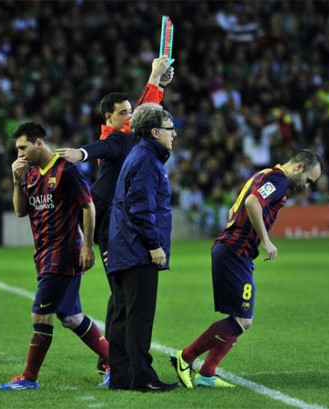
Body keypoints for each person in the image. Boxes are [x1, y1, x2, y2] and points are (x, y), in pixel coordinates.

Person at [55, 55, 173, 374]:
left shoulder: (129, 134)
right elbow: (97, 148)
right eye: (123, 112)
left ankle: (111, 359)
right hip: (106, 222)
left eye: (130, 112)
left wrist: (157, 83)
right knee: (121, 295)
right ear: (110, 117)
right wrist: (79, 153)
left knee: (120, 293)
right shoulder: (115, 138)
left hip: (117, 221)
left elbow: (145, 113)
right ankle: (115, 361)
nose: (129, 115)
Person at [170, 149, 323, 388]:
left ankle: (208, 374)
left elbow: (237, 205)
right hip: (234, 252)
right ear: (299, 167)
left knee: (238, 318)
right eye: (308, 180)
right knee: (243, 320)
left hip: (233, 250)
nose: (306, 186)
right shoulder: (279, 180)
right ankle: (186, 357)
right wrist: (265, 240)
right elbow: (252, 203)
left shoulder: (264, 174)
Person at [0, 122, 110, 390]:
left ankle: (28, 378)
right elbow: (21, 211)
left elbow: (88, 207)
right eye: (17, 149)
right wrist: (16, 182)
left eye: (23, 147)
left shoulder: (66, 171)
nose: (20, 154)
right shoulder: (31, 173)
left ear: (39, 143)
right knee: (70, 316)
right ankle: (118, 363)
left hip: (64, 252)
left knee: (40, 315)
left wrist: (88, 246)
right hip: (43, 253)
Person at [106, 103, 179, 392]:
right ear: (154, 132)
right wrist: (154, 245)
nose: (174, 135)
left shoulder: (140, 156)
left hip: (126, 247)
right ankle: (143, 378)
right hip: (138, 250)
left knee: (123, 316)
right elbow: (140, 207)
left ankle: (122, 377)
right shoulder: (147, 160)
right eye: (170, 129)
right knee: (139, 317)